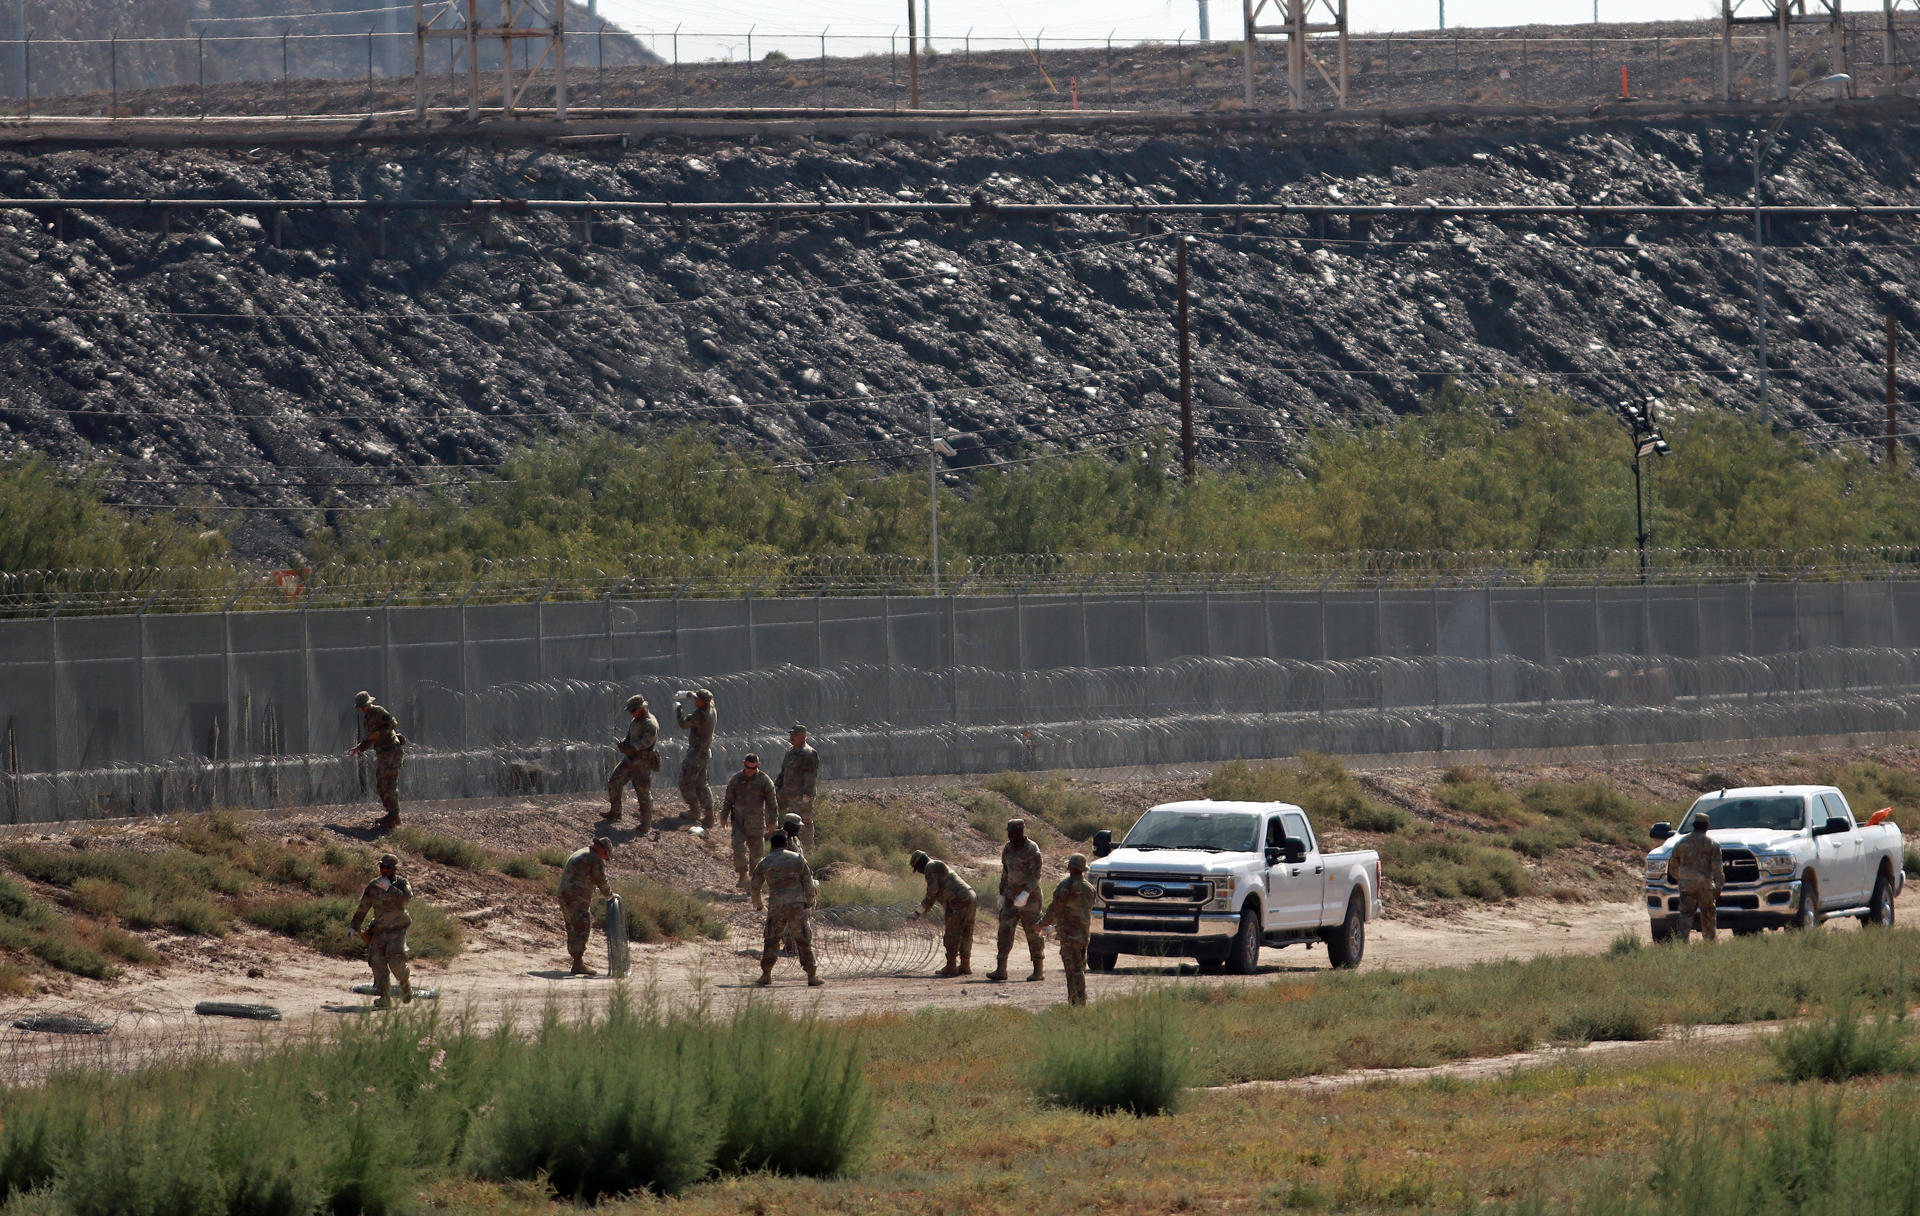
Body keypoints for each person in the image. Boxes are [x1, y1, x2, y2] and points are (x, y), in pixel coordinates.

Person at [750, 830, 822, 987]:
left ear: (772, 845)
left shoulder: (765, 862)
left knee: (771, 940)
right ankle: (812, 976)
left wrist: (759, 905)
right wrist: (809, 903)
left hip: (777, 906)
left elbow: (755, 886)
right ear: (786, 843)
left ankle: (766, 975)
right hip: (797, 906)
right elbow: (808, 884)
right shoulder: (797, 859)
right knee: (803, 940)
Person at [348, 852, 412, 1009]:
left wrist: (390, 889)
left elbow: (405, 901)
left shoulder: (401, 884)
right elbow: (363, 908)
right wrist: (353, 927)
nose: (383, 870)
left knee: (396, 960)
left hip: (397, 929)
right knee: (377, 963)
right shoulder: (373, 886)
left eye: (387, 867)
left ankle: (404, 986)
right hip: (379, 930)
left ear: (394, 869)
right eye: (381, 867)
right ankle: (385, 998)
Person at [986, 818, 1045, 983]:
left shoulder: (1032, 850)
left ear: (1020, 832)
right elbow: (1005, 872)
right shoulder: (1007, 848)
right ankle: (1001, 969)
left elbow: (1035, 876)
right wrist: (1002, 893)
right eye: (1008, 832)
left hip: (1030, 898)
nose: (1009, 835)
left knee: (1033, 932)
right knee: (1004, 931)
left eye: (1012, 832)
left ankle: (1038, 970)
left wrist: (1025, 893)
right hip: (1011, 897)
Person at [1036, 853, 1098, 1006]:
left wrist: (1041, 924)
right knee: (1079, 969)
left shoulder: (1065, 887)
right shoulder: (1089, 888)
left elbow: (1054, 909)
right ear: (1083, 869)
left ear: (1070, 867)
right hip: (1083, 935)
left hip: (1069, 935)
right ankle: (1078, 1003)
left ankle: (1076, 1004)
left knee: (1073, 972)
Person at [911, 849, 976, 977]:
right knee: (966, 932)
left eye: (917, 868)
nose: (918, 872)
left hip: (957, 901)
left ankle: (951, 966)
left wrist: (918, 912)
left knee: (952, 933)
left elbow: (932, 891)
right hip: (970, 896)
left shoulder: (930, 867)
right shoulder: (936, 865)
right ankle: (965, 966)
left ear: (920, 863)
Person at [347, 691, 405, 829]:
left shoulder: (378, 711)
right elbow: (371, 739)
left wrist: (379, 733)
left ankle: (394, 816)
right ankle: (391, 814)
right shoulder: (366, 719)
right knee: (381, 784)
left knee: (389, 783)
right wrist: (360, 747)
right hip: (382, 753)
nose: (363, 708)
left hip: (391, 750)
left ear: (368, 703)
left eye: (364, 705)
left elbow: (393, 723)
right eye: (361, 707)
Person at [557, 837, 614, 975]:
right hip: (576, 897)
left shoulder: (583, 852)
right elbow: (601, 879)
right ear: (602, 849)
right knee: (582, 926)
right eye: (606, 855)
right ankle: (577, 964)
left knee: (572, 927)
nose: (604, 858)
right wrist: (610, 895)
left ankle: (577, 961)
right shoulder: (594, 858)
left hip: (565, 895)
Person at [723, 753, 780, 890]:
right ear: (744, 764)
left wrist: (772, 822)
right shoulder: (736, 780)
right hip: (739, 823)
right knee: (738, 848)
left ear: (757, 766)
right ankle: (743, 876)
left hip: (757, 824)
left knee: (756, 855)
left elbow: (772, 804)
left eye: (753, 768)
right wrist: (723, 816)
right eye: (748, 767)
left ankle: (754, 881)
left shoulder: (764, 781)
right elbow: (728, 800)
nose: (750, 770)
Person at [1667, 812, 1725, 943]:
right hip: (1705, 886)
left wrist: (1680, 879)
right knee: (1708, 915)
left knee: (1685, 915)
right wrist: (1719, 885)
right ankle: (1709, 944)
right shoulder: (1712, 844)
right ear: (1706, 826)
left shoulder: (1681, 843)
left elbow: (1673, 866)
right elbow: (1717, 868)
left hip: (1687, 886)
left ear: (1694, 825)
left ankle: (1682, 943)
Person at [606, 694, 660, 830]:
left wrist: (631, 748)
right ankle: (615, 812)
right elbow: (630, 736)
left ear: (641, 708)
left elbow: (647, 741)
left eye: (633, 710)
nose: (631, 713)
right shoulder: (635, 721)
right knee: (614, 781)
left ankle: (646, 823)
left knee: (643, 792)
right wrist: (624, 744)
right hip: (630, 760)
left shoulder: (650, 723)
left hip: (643, 762)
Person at [675, 689, 717, 827]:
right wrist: (689, 694)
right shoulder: (712, 709)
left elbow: (683, 724)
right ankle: (709, 816)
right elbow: (701, 698)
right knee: (701, 784)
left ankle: (694, 810)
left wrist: (678, 710)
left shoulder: (701, 714)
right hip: (704, 753)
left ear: (703, 702)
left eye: (697, 700)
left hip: (696, 754)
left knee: (685, 782)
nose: (695, 701)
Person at [775, 724, 819, 849]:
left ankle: (807, 851)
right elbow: (783, 772)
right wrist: (776, 786)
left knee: (804, 823)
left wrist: (807, 795)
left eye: (795, 734)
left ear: (803, 736)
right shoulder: (790, 752)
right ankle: (775, 844)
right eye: (791, 734)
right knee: (770, 811)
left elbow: (811, 776)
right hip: (786, 792)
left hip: (800, 795)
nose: (792, 737)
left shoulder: (809, 753)